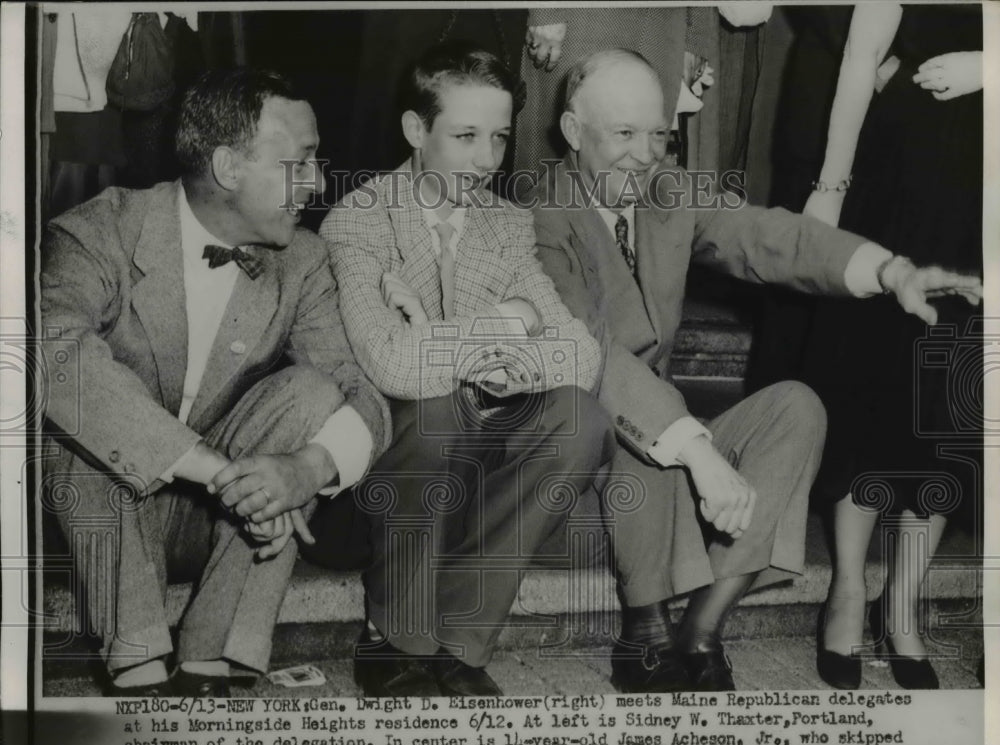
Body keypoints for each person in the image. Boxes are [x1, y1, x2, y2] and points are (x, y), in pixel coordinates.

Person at [528, 50, 982, 692]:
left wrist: (892, 270)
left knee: (798, 406)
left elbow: (770, 237)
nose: (644, 153)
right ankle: (645, 630)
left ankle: (701, 629)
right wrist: (699, 453)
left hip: (655, 437)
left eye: (657, 134)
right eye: (622, 134)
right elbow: (592, 354)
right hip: (579, 454)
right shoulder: (538, 213)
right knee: (640, 413)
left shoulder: (667, 189)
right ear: (574, 133)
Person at [40, 69, 390, 697]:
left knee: (312, 394)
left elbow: (362, 395)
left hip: (216, 524)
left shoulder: (303, 260)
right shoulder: (98, 231)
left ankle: (212, 662)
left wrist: (305, 470)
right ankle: (139, 666)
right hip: (98, 520)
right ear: (229, 166)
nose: (316, 182)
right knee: (78, 409)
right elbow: (53, 356)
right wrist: (218, 472)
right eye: (301, 161)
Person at [320, 42, 614, 697]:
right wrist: (505, 325)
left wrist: (494, 332)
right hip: (381, 483)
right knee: (432, 406)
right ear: (415, 130)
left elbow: (581, 352)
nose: (487, 160)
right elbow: (393, 364)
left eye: (501, 138)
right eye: (466, 136)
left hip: (474, 465)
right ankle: (394, 634)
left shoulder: (505, 224)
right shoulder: (359, 219)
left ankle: (459, 637)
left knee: (579, 416)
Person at [799, 3, 983, 691]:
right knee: (870, 382)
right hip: (905, 175)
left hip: (984, 198)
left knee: (950, 404)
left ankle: (900, 602)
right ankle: (848, 590)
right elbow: (859, 56)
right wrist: (830, 186)